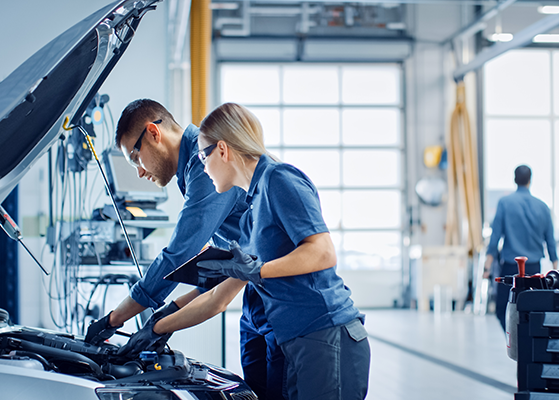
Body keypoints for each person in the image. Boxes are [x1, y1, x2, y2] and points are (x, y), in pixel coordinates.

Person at [119, 102, 371, 400]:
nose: (200, 167)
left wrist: (257, 270)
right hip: (295, 338)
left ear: (222, 151)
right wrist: (159, 325)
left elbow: (323, 253)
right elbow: (218, 294)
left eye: (202, 156)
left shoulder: (280, 180)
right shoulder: (251, 210)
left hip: (324, 332)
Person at [83, 99, 254, 377]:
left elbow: (178, 254)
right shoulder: (191, 173)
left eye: (136, 158)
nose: (139, 171)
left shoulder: (206, 163)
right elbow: (223, 269)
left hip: (288, 304)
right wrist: (166, 316)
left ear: (153, 133)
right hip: (257, 304)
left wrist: (115, 320)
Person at [483, 165, 558, 332]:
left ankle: (514, 338)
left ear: (514, 180)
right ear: (530, 180)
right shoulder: (543, 207)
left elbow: (495, 238)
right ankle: (526, 340)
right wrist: (555, 268)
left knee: (503, 308)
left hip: (510, 269)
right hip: (534, 269)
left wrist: (487, 267)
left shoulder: (504, 203)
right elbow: (550, 240)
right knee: (533, 309)